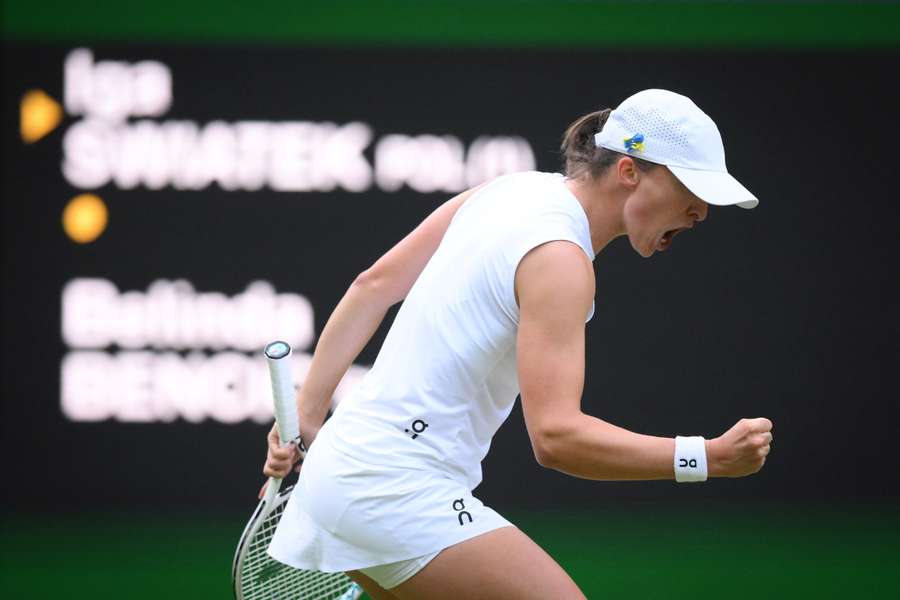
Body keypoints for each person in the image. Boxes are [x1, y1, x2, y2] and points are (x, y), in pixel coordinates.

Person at [262, 89, 774, 599]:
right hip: (393, 489)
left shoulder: (508, 190)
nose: (701, 212)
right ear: (629, 172)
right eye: (690, 187)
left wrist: (306, 420)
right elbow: (556, 438)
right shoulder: (560, 260)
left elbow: (372, 286)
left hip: (341, 470)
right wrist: (704, 457)